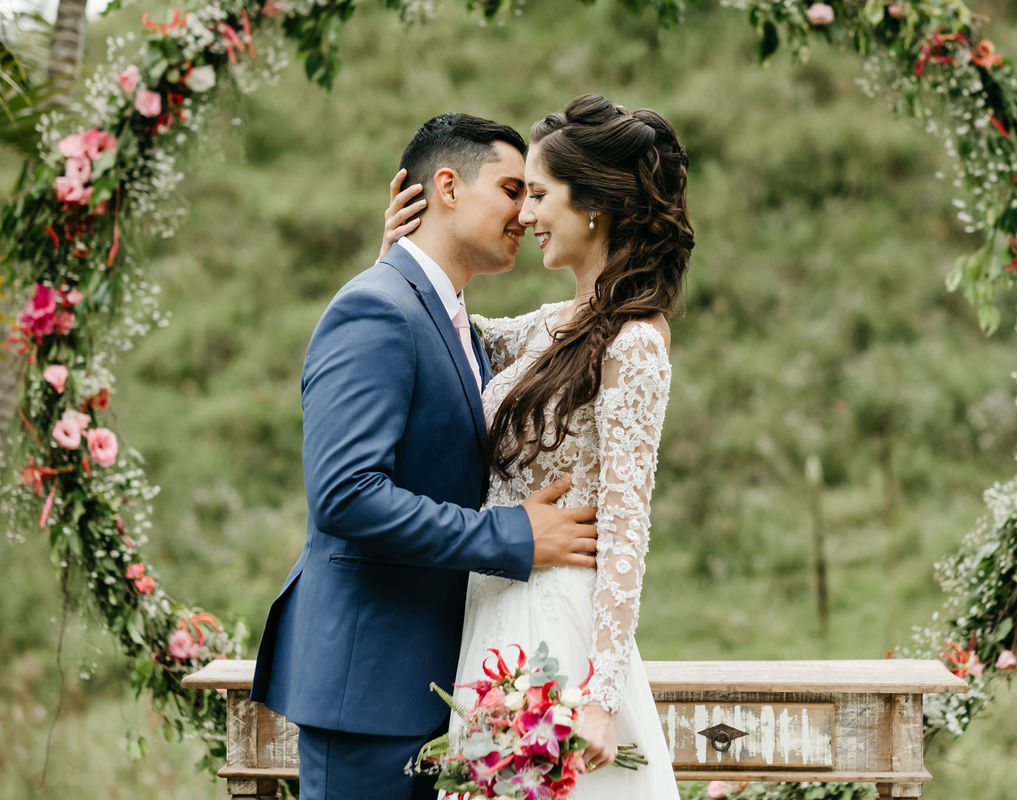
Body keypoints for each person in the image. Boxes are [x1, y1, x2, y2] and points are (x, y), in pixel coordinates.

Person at [250, 113, 601, 800]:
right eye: (510, 188)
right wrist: (514, 534)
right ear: (446, 185)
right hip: (370, 688)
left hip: (441, 679)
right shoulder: (376, 311)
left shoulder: (450, 319)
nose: (525, 212)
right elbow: (347, 495)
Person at [381, 93, 692, 797]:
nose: (524, 214)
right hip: (492, 609)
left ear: (596, 205)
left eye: (541, 194)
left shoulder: (635, 344)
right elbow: (445, 330)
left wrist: (600, 698)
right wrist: (399, 257)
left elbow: (626, 528)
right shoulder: (553, 324)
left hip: (561, 625)